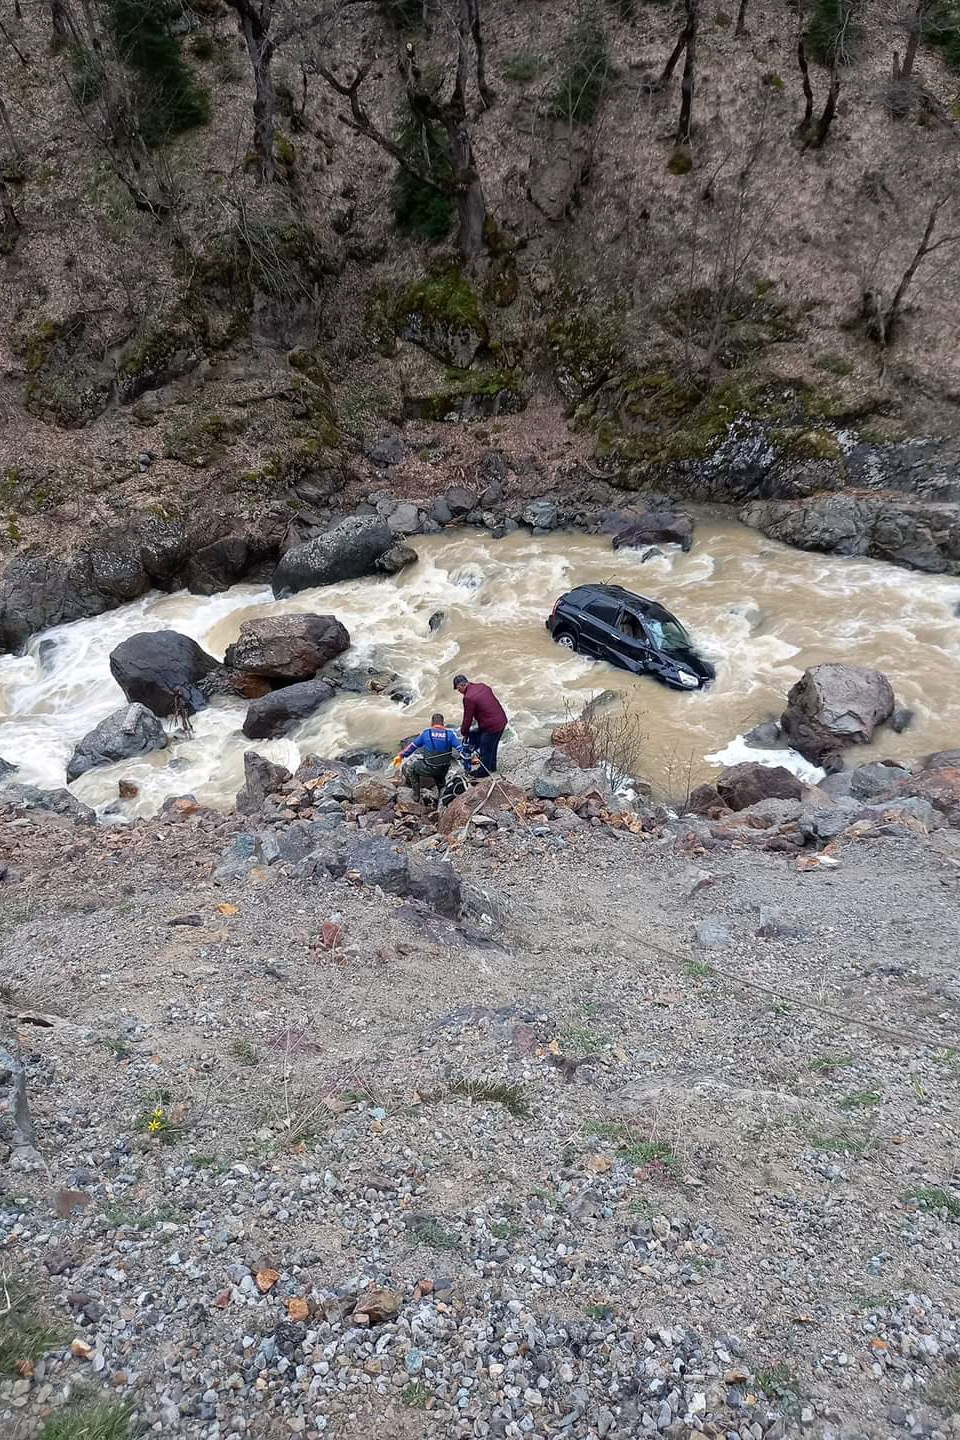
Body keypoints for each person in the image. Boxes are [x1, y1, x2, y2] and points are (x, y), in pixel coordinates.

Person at [393, 712, 466, 802]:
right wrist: (472, 758)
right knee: (440, 780)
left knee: (411, 769)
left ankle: (416, 796)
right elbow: (461, 749)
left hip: (429, 767)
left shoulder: (426, 733)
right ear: (443, 724)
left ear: (432, 723)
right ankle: (441, 797)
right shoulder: (450, 735)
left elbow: (412, 747)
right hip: (443, 769)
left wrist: (401, 756)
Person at [453, 673, 507, 776]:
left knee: (485, 746)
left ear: (460, 686)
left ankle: (484, 772)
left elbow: (467, 718)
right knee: (493, 744)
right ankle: (492, 766)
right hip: (502, 720)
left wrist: (464, 732)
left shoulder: (468, 697)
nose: (459, 692)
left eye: (458, 689)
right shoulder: (482, 686)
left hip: (491, 726)